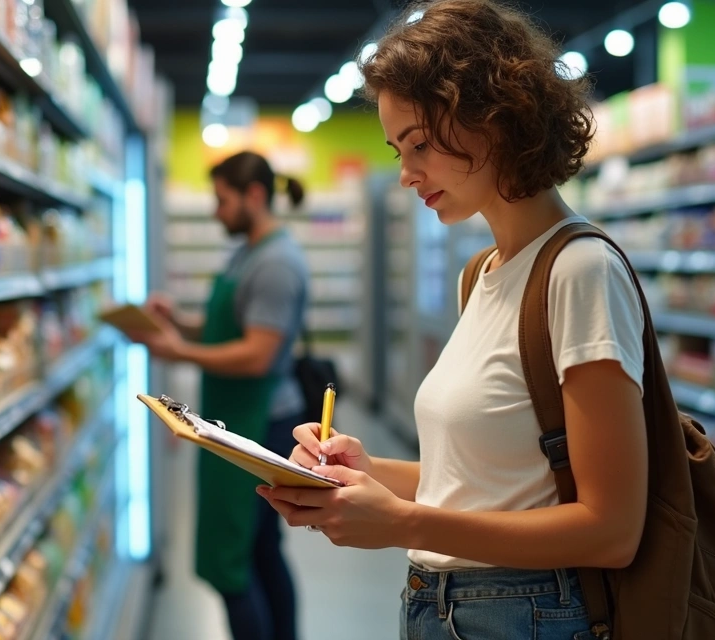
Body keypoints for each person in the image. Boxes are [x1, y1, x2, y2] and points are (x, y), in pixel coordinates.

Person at [258, 2, 650, 639]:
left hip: (524, 618)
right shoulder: (483, 273)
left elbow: (611, 530)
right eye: (398, 150)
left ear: (495, 116)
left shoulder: (580, 271)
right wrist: (367, 472)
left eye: (419, 144)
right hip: (443, 610)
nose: (406, 174)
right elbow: (489, 484)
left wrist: (404, 524)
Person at [128, 151, 309, 640]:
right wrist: (177, 321)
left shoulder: (277, 263)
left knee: (232, 560)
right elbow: (225, 329)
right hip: (242, 417)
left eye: (222, 200)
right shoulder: (249, 251)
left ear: (254, 195)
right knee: (260, 550)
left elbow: (257, 355)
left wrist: (178, 351)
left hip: (261, 426)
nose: (215, 211)